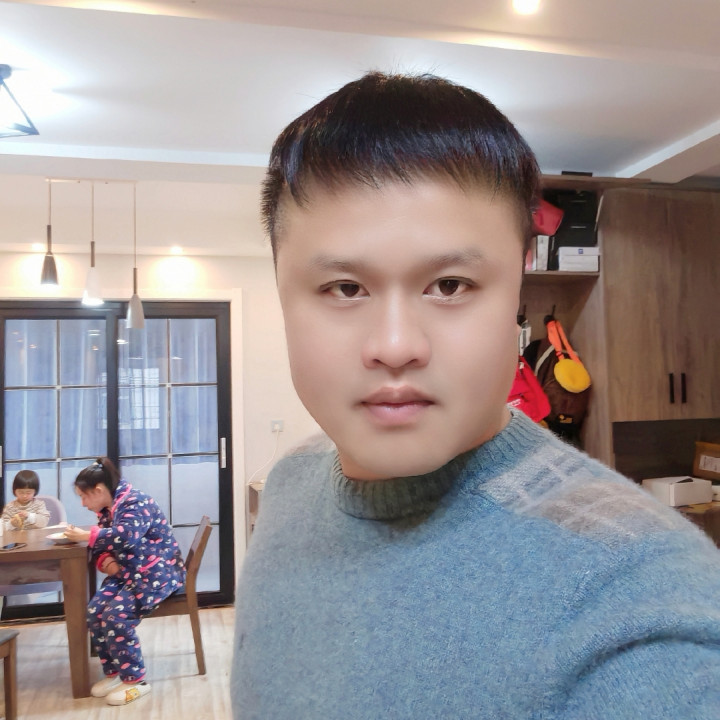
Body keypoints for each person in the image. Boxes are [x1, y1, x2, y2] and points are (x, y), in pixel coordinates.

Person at [231, 71, 720, 718]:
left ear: (519, 283)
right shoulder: (291, 485)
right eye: (346, 289)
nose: (396, 345)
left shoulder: (635, 599)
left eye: (450, 286)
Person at [64, 457, 185, 707]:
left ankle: (135, 680)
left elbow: (125, 536)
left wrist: (86, 536)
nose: (83, 503)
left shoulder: (135, 502)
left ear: (98, 490)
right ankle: (115, 672)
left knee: (115, 616)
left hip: (155, 575)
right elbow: (103, 544)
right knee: (94, 611)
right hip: (129, 573)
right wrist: (107, 562)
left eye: (84, 497)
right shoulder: (108, 509)